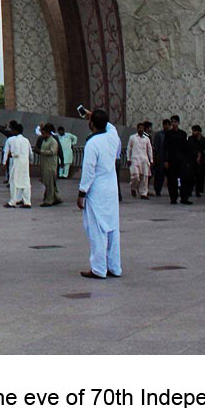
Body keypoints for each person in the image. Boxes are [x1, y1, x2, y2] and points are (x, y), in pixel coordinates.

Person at [78, 109, 122, 280]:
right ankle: (114, 267)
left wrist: (82, 192)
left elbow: (88, 171)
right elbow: (110, 127)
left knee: (97, 230)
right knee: (112, 228)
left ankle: (98, 268)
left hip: (97, 190)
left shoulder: (93, 143)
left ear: (91, 124)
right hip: (111, 189)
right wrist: (95, 116)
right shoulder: (113, 137)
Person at [3, 122, 32, 208]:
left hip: (17, 163)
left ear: (15, 131)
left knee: (14, 182)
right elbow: (30, 153)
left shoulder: (16, 140)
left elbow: (16, 153)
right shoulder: (26, 140)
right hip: (25, 164)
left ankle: (13, 201)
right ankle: (27, 202)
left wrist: (10, 155)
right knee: (26, 182)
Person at [164, 116, 191, 205]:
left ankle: (184, 197)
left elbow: (186, 147)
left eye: (175, 122)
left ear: (178, 123)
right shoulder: (168, 134)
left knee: (184, 179)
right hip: (172, 160)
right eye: (172, 122)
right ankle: (173, 198)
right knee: (172, 180)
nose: (173, 124)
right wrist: (166, 160)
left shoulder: (183, 134)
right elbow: (166, 148)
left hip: (182, 159)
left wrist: (187, 160)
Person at [37, 123, 62, 206]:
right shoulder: (45, 141)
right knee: (50, 183)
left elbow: (52, 152)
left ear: (48, 133)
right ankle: (55, 197)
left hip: (50, 165)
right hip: (45, 165)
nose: (42, 135)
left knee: (49, 183)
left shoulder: (53, 141)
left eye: (43, 133)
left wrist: (41, 152)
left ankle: (49, 200)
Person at [127, 122, 153, 199]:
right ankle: (133, 188)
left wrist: (151, 160)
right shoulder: (132, 137)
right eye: (139, 128)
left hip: (144, 159)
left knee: (145, 177)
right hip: (135, 159)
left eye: (142, 128)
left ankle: (143, 193)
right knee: (135, 176)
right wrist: (128, 158)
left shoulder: (147, 139)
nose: (141, 129)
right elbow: (129, 148)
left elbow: (149, 150)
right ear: (137, 129)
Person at [186, 125, 205, 199]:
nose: (193, 132)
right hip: (192, 161)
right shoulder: (191, 139)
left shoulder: (203, 140)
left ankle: (198, 191)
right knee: (191, 177)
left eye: (195, 131)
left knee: (199, 177)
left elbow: (204, 150)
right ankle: (190, 191)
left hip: (200, 162)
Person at [152, 119, 169, 196]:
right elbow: (156, 147)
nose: (166, 126)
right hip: (160, 158)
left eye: (168, 124)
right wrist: (156, 158)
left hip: (169, 159)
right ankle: (157, 190)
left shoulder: (171, 134)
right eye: (165, 124)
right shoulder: (159, 135)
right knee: (159, 176)